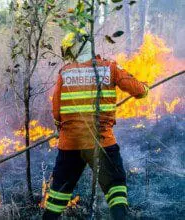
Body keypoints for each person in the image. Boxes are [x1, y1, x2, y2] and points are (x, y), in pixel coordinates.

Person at [42, 32, 148, 220]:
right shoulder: (109, 67)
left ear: (73, 49)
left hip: (70, 144)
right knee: (115, 185)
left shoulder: (65, 72)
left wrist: (63, 129)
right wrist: (145, 88)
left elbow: (56, 110)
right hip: (102, 141)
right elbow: (138, 90)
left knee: (59, 190)